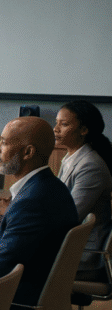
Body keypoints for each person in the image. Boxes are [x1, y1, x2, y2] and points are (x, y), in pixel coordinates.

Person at [0, 116, 78, 310]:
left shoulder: (33, 201)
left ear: (28, 152)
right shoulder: (47, 187)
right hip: (30, 301)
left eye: (4, 142)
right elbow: (10, 243)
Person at [53, 101, 112, 279]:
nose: (55, 129)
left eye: (64, 124)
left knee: (20, 264)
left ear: (83, 130)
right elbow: (57, 201)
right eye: (56, 122)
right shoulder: (72, 156)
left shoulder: (90, 166)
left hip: (85, 254)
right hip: (68, 244)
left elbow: (69, 215)